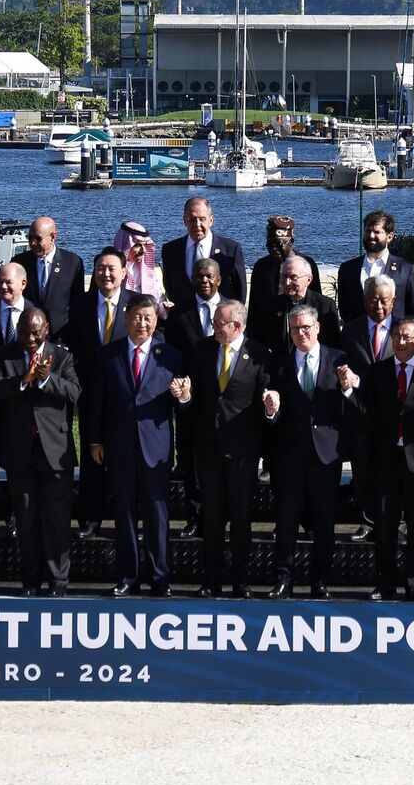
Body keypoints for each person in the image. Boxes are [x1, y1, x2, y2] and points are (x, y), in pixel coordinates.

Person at [88, 297, 186, 597]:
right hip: (119, 446)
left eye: (148, 318)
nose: (142, 323)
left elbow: (181, 404)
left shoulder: (170, 356)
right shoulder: (108, 355)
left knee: (157, 515)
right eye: (137, 316)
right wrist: (94, 439)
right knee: (125, 513)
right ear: (126, 316)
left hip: (155, 449)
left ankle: (160, 576)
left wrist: (183, 397)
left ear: (156, 321)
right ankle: (128, 576)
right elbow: (96, 403)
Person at [263, 303, 358, 599]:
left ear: (317, 327)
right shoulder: (279, 364)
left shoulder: (338, 360)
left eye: (306, 327)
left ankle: (320, 580)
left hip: (325, 454)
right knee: (287, 520)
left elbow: (352, 407)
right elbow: (272, 411)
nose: (301, 333)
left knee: (324, 520)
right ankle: (284, 579)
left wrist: (348, 388)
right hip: (289, 455)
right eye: (295, 328)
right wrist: (271, 410)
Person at [0, 307, 82, 596]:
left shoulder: (62, 356)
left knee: (56, 519)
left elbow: (74, 392)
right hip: (19, 450)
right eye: (25, 332)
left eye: (35, 333)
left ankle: (58, 581)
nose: (30, 338)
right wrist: (23, 380)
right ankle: (30, 580)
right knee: (25, 519)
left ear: (47, 329)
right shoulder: (4, 355)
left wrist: (44, 379)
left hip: (54, 450)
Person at [183, 300, 274, 597]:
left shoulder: (259, 355)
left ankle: (240, 580)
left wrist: (271, 408)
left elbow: (266, 401)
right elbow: (191, 397)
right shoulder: (202, 350)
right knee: (211, 518)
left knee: (240, 518)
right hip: (208, 447)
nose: (214, 328)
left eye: (219, 324)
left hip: (242, 452)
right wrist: (184, 397)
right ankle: (211, 580)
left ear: (236, 325)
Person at [68, 247, 149, 538]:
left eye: (112, 268)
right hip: (91, 392)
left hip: (127, 395)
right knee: (92, 456)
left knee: (127, 460)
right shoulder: (79, 305)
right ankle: (90, 519)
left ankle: (129, 520)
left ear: (124, 272)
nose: (106, 274)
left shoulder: (136, 305)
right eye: (101, 268)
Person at [358, 316, 414, 601]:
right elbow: (365, 410)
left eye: (406, 337)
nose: (400, 342)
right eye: (396, 337)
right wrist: (348, 389)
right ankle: (385, 581)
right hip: (386, 458)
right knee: (385, 524)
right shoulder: (378, 372)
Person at [163, 256, 224, 537]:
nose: (204, 281)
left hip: (225, 399)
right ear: (192, 280)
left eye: (209, 276)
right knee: (190, 460)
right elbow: (173, 355)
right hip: (190, 399)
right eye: (199, 276)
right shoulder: (180, 314)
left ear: (219, 279)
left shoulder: (230, 310)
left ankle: (220, 517)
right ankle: (195, 516)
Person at [340, 276, 400, 542]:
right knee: (362, 470)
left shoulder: (403, 329)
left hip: (392, 412)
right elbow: (343, 361)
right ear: (364, 300)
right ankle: (366, 520)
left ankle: (394, 522)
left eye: (384, 300)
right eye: (373, 299)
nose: (378, 305)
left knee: (393, 472)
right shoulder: (351, 330)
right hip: (359, 410)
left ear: (394, 302)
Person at [335, 210, 414, 325]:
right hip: (359, 338)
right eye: (368, 231)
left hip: (393, 337)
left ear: (389, 237)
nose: (371, 236)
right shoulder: (348, 269)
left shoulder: (405, 269)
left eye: (376, 232)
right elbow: (344, 308)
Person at [162, 196, 247, 305]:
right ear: (184, 221)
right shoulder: (170, 250)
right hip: (184, 318)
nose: (197, 225)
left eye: (202, 219)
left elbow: (240, 289)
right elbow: (170, 288)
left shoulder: (230, 249)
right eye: (192, 220)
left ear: (211, 220)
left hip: (219, 317)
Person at [252, 256, 342, 351]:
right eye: (284, 276)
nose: (287, 283)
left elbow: (333, 343)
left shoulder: (325, 306)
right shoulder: (272, 306)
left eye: (293, 277)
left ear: (309, 279)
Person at [248, 215, 321, 325]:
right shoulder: (261, 267)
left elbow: (316, 300)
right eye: (270, 245)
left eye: (279, 245)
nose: (274, 249)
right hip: (268, 329)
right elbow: (254, 306)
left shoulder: (307, 264)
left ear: (290, 241)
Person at [16, 216, 84, 333]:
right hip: (28, 335)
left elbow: (77, 303)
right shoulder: (20, 262)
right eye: (30, 238)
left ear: (53, 237)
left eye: (38, 238)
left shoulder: (73, 263)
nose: (32, 243)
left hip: (61, 335)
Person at [114, 221, 166, 311]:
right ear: (125, 244)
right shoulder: (109, 270)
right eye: (137, 245)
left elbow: (158, 299)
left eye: (145, 245)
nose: (143, 251)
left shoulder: (151, 269)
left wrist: (164, 308)